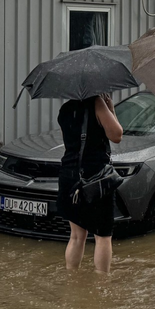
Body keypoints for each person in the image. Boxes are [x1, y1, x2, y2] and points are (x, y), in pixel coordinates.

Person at [57, 93, 123, 273]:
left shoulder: (65, 109)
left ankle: (72, 278)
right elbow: (117, 135)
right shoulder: (97, 103)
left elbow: (71, 144)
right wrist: (111, 109)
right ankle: (101, 286)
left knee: (77, 236)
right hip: (95, 179)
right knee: (103, 236)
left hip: (69, 177)